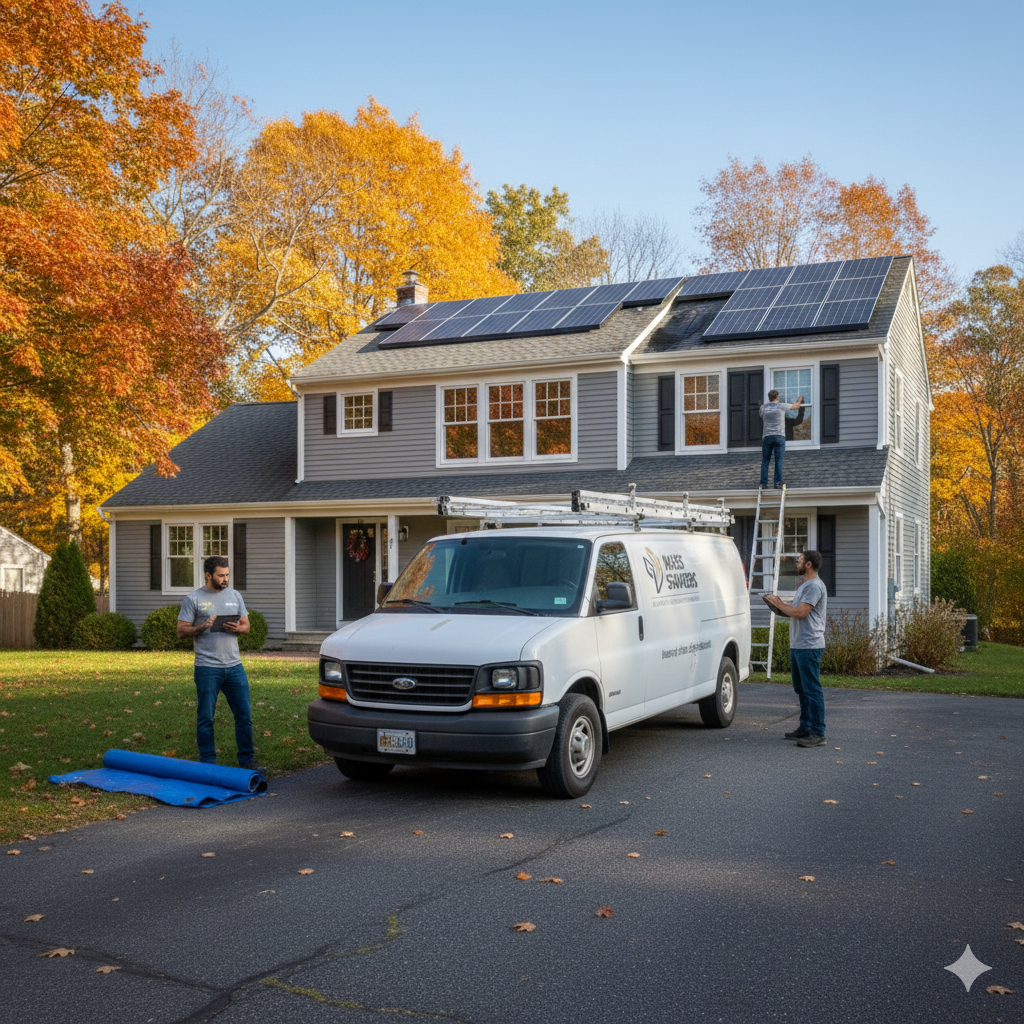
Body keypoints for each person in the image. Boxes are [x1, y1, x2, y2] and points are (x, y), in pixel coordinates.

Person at [176, 556, 259, 770]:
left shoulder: (235, 595)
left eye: (227, 574)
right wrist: (202, 627)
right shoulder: (193, 599)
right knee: (206, 718)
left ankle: (247, 761)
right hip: (207, 667)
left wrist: (238, 629)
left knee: (244, 716)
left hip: (234, 666)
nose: (225, 579)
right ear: (208, 575)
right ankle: (208, 764)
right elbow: (181, 631)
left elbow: (246, 626)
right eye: (221, 575)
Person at [764, 550, 827, 747]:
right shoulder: (805, 586)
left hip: (809, 645)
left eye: (800, 560)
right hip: (799, 644)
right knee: (801, 689)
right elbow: (794, 612)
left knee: (811, 689)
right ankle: (805, 727)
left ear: (808, 564)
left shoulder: (814, 586)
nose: (797, 563)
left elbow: (800, 612)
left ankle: (818, 733)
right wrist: (776, 606)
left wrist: (779, 603)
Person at [759, 390, 804, 489]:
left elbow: (762, 416)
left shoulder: (763, 407)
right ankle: (777, 482)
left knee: (765, 460)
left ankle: (763, 483)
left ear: (769, 397)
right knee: (779, 460)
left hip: (767, 436)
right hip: (779, 436)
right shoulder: (781, 406)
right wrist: (800, 399)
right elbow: (796, 406)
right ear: (777, 397)